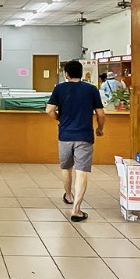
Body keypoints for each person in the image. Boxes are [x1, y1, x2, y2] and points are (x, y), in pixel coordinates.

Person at [46, 59, 106, 222]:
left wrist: (59, 119)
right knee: (82, 172)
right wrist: (100, 129)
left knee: (66, 168)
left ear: (66, 74)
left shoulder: (60, 88)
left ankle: (69, 195)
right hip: (84, 136)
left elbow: (49, 109)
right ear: (81, 73)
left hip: (65, 135)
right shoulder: (91, 89)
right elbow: (100, 114)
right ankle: (76, 210)